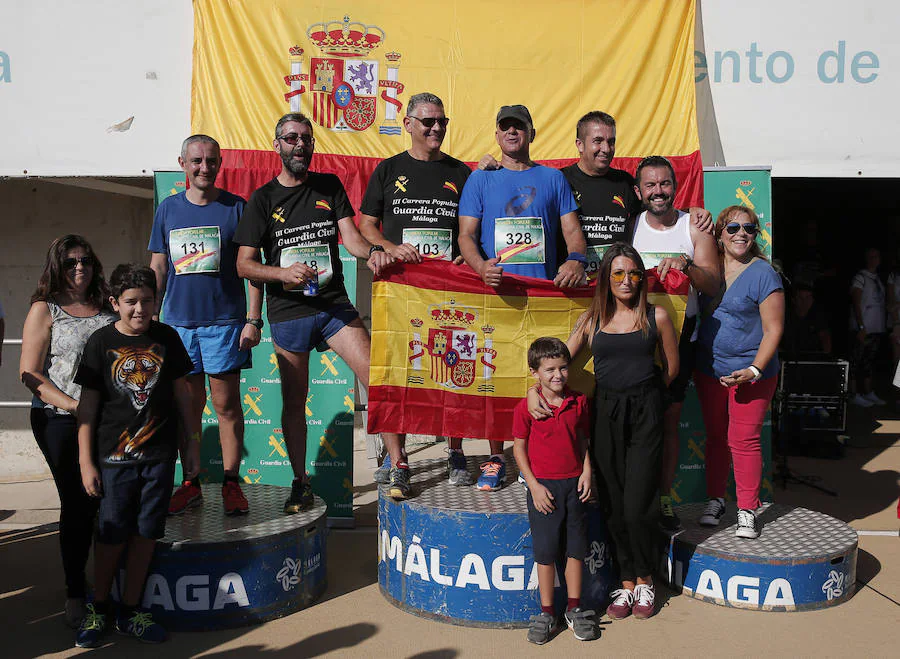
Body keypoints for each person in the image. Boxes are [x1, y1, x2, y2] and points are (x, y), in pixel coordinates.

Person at [235, 113, 399, 508]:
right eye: (291, 138)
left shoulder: (329, 185)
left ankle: (399, 464)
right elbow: (244, 264)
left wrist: (378, 252)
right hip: (289, 312)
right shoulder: (262, 199)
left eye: (306, 138)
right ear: (278, 145)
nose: (300, 145)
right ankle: (299, 480)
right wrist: (282, 272)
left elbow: (354, 240)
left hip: (332, 306)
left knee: (379, 378)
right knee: (295, 402)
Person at [458, 104, 587, 491]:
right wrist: (481, 267)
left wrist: (577, 260)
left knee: (544, 378)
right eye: (505, 127)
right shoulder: (479, 180)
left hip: (542, 299)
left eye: (520, 127)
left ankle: (545, 459)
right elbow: (465, 237)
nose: (512, 133)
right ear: (497, 135)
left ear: (532, 133)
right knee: (492, 380)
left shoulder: (553, 179)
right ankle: (496, 457)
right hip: (495, 297)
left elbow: (573, 233)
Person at [74, 264, 195, 647]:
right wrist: (85, 461)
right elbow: (88, 409)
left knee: (146, 533)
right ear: (115, 303)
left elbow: (184, 399)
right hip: (113, 460)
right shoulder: (99, 342)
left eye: (146, 301)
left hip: (159, 457)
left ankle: (130, 608)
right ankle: (99, 605)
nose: (139, 309)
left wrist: (191, 447)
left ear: (156, 300)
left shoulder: (167, 337)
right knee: (110, 534)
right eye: (130, 302)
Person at [359, 92, 474, 488]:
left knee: (453, 372)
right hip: (400, 291)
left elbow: (470, 231)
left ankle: (456, 452)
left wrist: (466, 255)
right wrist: (390, 249)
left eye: (442, 120)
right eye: (427, 121)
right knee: (397, 376)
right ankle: (399, 461)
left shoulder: (462, 173)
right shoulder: (388, 170)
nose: (436, 128)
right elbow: (367, 226)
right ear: (408, 124)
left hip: (449, 293)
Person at [149, 134, 263, 516]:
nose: (204, 168)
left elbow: (253, 271)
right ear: (182, 162)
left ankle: (231, 483)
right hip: (178, 327)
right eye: (196, 161)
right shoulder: (167, 210)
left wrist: (253, 319)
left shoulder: (236, 207)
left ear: (219, 163)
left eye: (211, 161)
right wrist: (151, 317)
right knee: (188, 409)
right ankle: (191, 483)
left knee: (226, 405)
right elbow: (158, 267)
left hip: (225, 325)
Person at [562, 243, 678, 620]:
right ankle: (626, 581)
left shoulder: (656, 316)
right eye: (618, 273)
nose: (626, 280)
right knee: (612, 503)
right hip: (605, 414)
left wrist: (647, 399)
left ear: (641, 278)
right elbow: (562, 362)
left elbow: (672, 368)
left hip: (646, 413)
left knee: (639, 504)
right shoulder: (592, 320)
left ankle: (646, 579)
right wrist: (538, 387)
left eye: (633, 274)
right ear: (606, 279)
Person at [19, 235, 117, 628]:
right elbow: (29, 373)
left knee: (107, 503)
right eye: (71, 261)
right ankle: (76, 591)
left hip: (110, 420)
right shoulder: (45, 309)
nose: (80, 266)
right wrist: (76, 406)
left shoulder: (109, 305)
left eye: (86, 260)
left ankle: (111, 586)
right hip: (59, 418)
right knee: (78, 503)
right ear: (57, 265)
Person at [630, 155, 720, 531]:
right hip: (633, 337)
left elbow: (713, 283)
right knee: (631, 424)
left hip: (679, 338)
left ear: (675, 186)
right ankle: (632, 496)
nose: (658, 192)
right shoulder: (629, 224)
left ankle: (665, 498)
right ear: (638, 191)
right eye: (650, 185)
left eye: (665, 184)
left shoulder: (693, 227)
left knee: (668, 422)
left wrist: (687, 266)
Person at [694, 206, 784, 539]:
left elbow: (773, 330)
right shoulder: (709, 266)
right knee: (716, 438)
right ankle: (716, 500)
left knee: (743, 441)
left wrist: (754, 369)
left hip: (752, 372)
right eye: (732, 228)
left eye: (749, 228)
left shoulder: (764, 274)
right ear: (719, 233)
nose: (740, 233)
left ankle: (747, 509)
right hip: (709, 370)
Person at [513, 337, 596, 644]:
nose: (557, 375)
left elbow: (584, 440)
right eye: (549, 369)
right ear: (535, 372)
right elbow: (518, 449)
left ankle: (574, 609)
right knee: (546, 554)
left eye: (563, 368)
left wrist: (588, 471)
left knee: (576, 550)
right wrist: (533, 486)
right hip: (544, 490)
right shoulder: (526, 407)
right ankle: (547, 612)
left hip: (575, 487)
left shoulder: (580, 402)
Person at [849, 247, 886, 407]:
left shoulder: (877, 278)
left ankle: (868, 392)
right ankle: (854, 393)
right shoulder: (860, 277)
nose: (873, 259)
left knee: (869, 361)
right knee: (856, 360)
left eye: (876, 256)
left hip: (876, 327)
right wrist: (861, 325)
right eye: (870, 256)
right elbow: (856, 302)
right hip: (862, 328)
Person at [782, 280, 832, 359]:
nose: (805, 302)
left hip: (813, 359)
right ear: (793, 300)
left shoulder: (818, 316)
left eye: (808, 297)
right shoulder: (785, 317)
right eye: (801, 298)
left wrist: (825, 358)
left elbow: (825, 338)